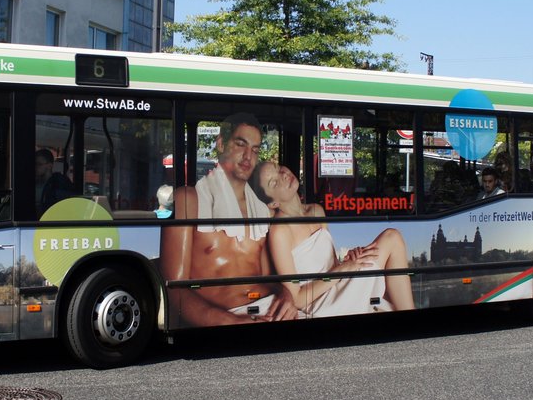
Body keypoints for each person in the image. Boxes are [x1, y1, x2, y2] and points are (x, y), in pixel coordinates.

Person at [159, 113, 298, 327]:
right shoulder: (190, 200)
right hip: (222, 320)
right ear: (221, 144)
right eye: (241, 144)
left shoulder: (262, 210)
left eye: (255, 150)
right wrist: (231, 321)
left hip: (268, 312)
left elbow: (269, 279)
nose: (248, 156)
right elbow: (174, 289)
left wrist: (285, 295)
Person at [249, 161, 414, 316]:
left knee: (392, 237)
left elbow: (331, 264)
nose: (283, 175)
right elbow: (297, 299)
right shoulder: (280, 231)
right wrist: (344, 269)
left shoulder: (317, 211)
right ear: (273, 204)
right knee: (391, 238)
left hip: (338, 284)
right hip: (322, 302)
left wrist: (350, 259)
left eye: (278, 168)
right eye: (274, 182)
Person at [35, 148, 75, 215]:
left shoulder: (59, 183)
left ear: (50, 166)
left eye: (39, 164)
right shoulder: (34, 183)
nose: (35, 167)